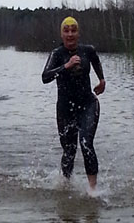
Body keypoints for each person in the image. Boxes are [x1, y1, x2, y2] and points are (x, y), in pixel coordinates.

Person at [42, 16, 106, 191]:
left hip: (88, 104)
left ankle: (93, 191)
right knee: (69, 151)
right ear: (61, 34)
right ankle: (65, 185)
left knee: (86, 143)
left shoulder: (88, 50)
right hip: (65, 108)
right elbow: (45, 77)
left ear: (78, 33)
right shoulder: (57, 54)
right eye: (66, 30)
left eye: (73, 30)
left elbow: (96, 62)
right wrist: (66, 66)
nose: (70, 34)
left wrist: (101, 80)